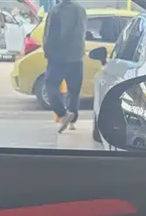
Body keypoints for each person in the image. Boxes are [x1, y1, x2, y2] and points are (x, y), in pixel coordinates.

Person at [42, 0, 87, 132]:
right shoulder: (81, 10)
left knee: (50, 85)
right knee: (74, 90)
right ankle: (72, 119)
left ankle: (62, 113)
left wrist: (48, 52)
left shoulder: (56, 11)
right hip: (77, 57)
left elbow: (50, 35)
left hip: (59, 57)